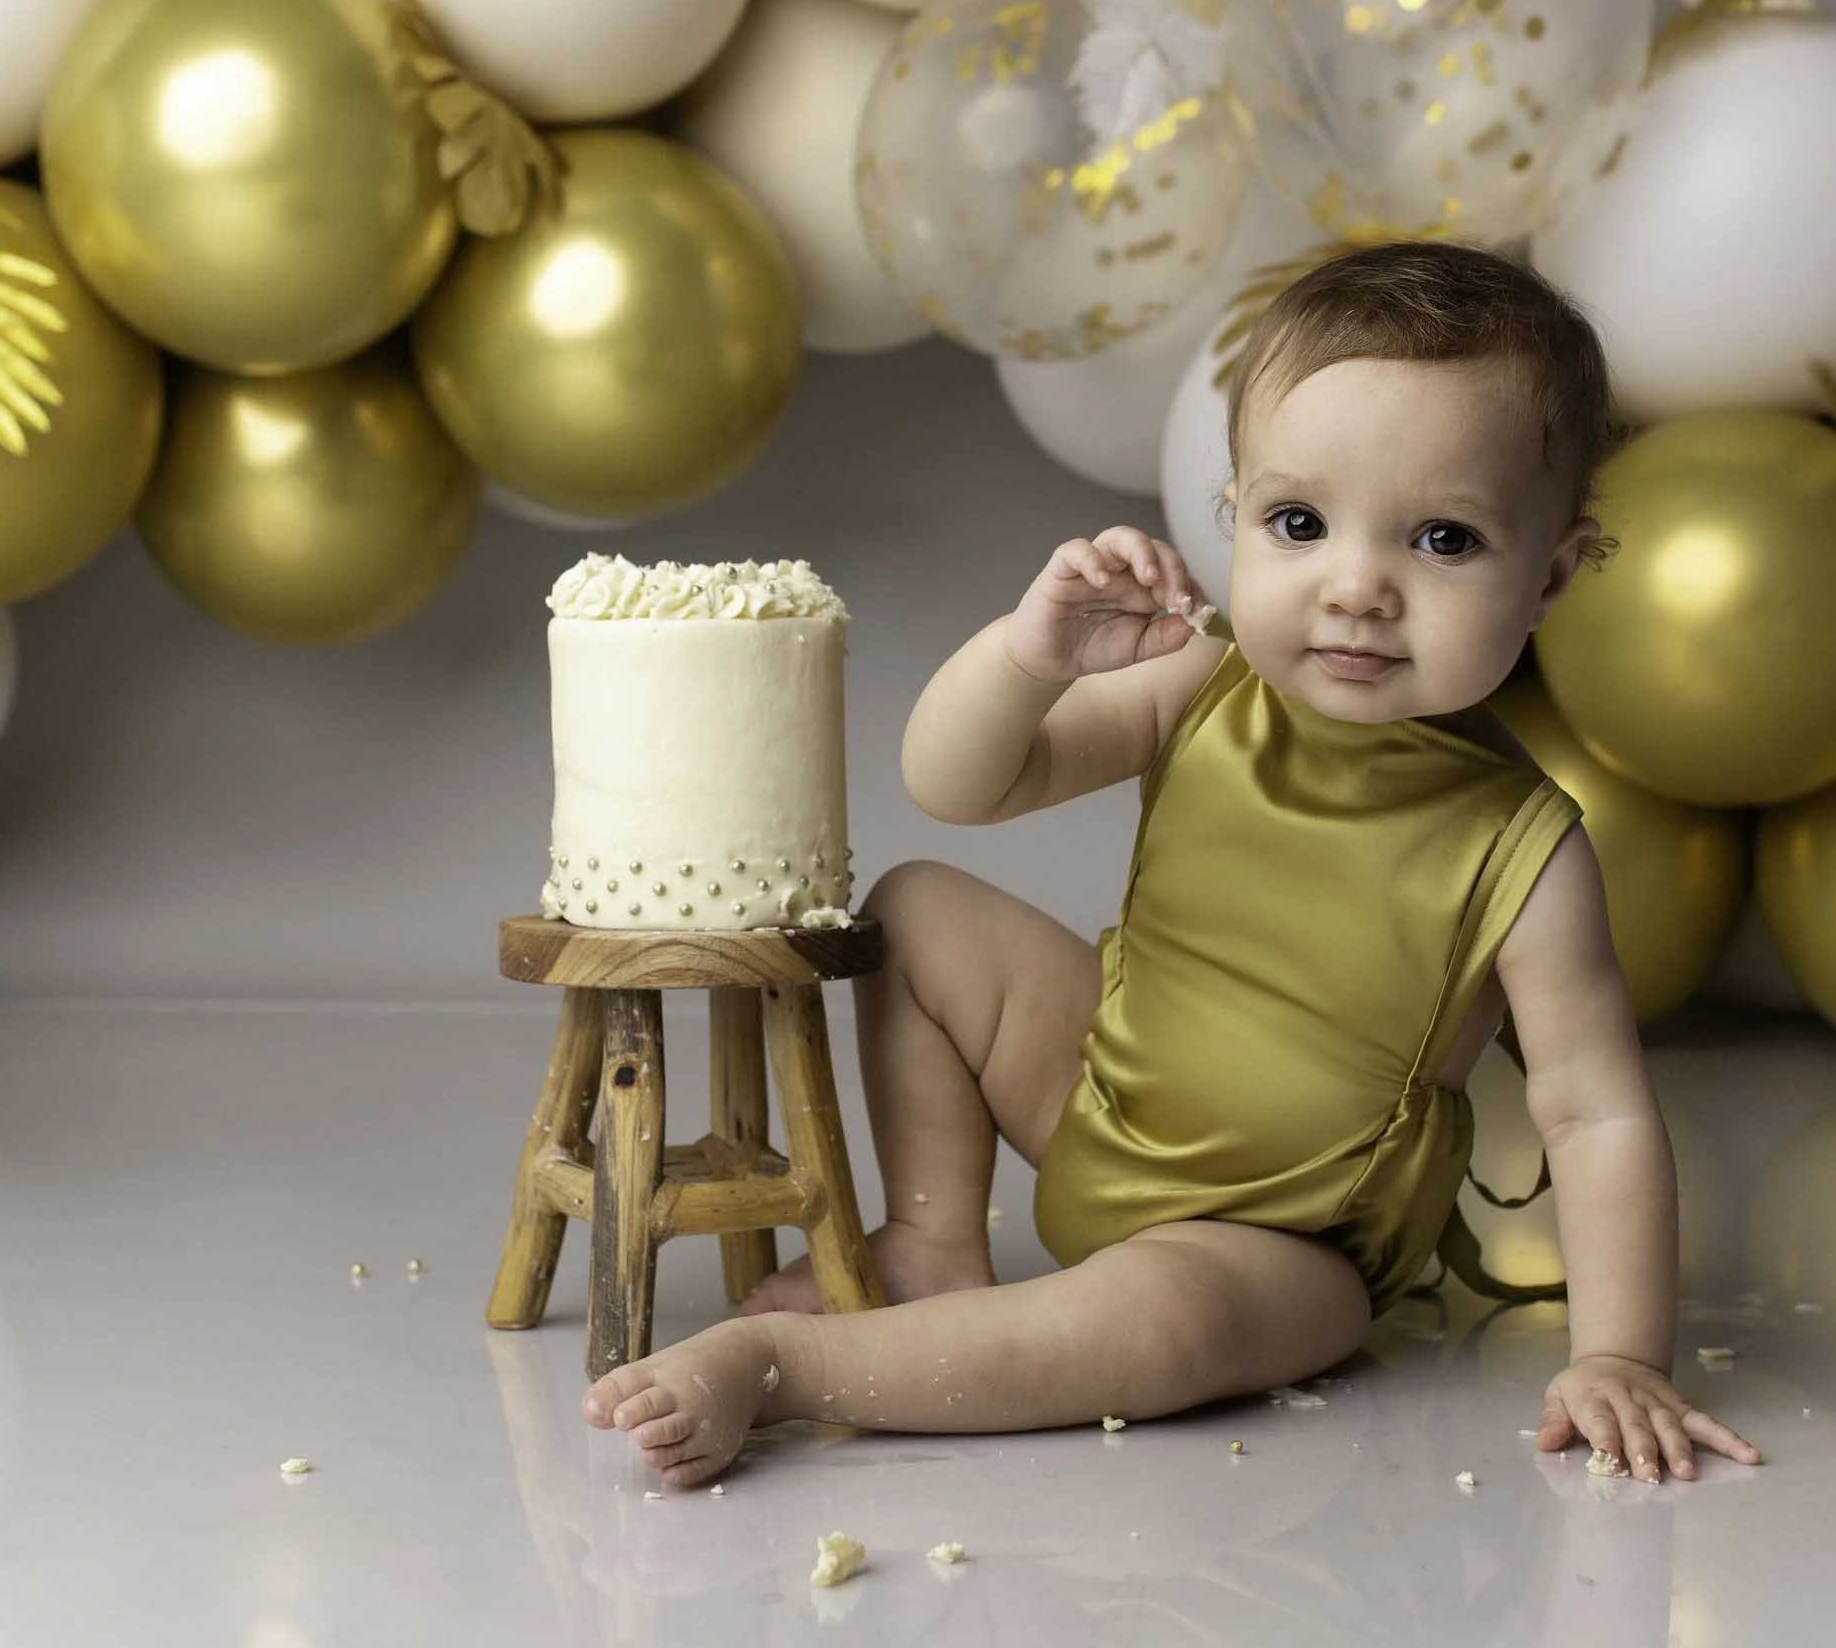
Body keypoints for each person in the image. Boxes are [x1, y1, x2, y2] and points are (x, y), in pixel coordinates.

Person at [582, 240, 1762, 1491]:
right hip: (1097, 1092)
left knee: (1167, 1328)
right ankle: (932, 1240)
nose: (1357, 587)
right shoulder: (1207, 683)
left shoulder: (1526, 852)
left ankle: (789, 1370)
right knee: (919, 908)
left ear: (1551, 575)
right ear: (1233, 513)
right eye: (1299, 523)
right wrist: (1031, 655)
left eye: (1444, 540)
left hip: (1277, 1240)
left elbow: (1595, 1112)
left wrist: (1622, 1352)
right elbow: (960, 783)